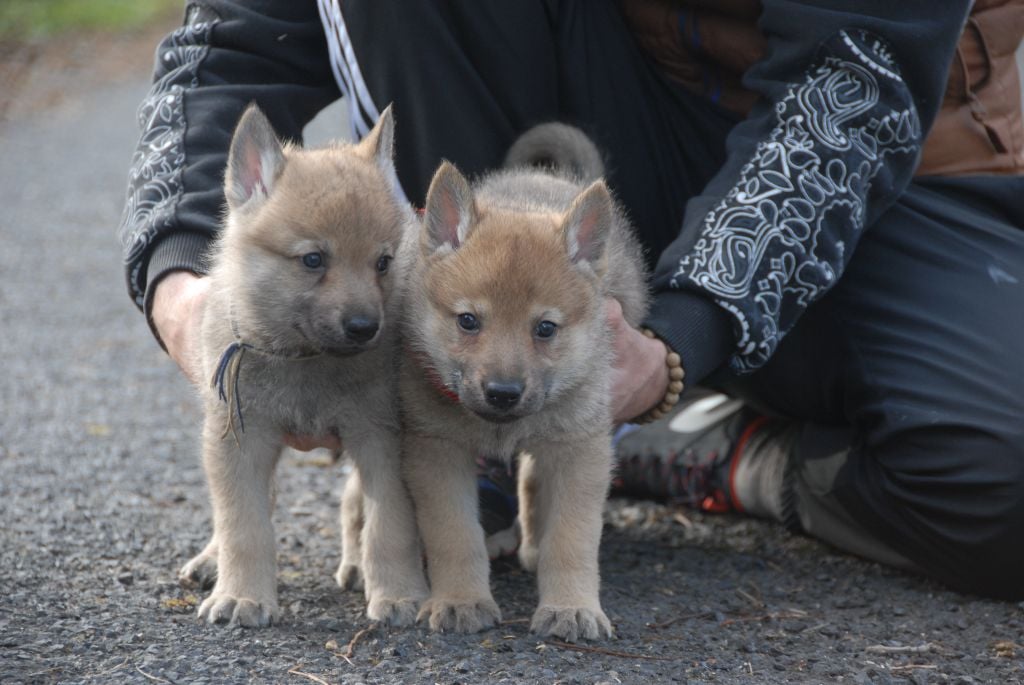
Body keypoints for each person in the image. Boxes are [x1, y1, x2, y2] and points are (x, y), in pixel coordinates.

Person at [119, 1, 1024, 600]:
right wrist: (185, 289)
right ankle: (469, 423)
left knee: (1001, 483)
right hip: (579, 129)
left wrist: (677, 336)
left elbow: (858, 82)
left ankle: (707, 446)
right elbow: (234, 41)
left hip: (900, 165)